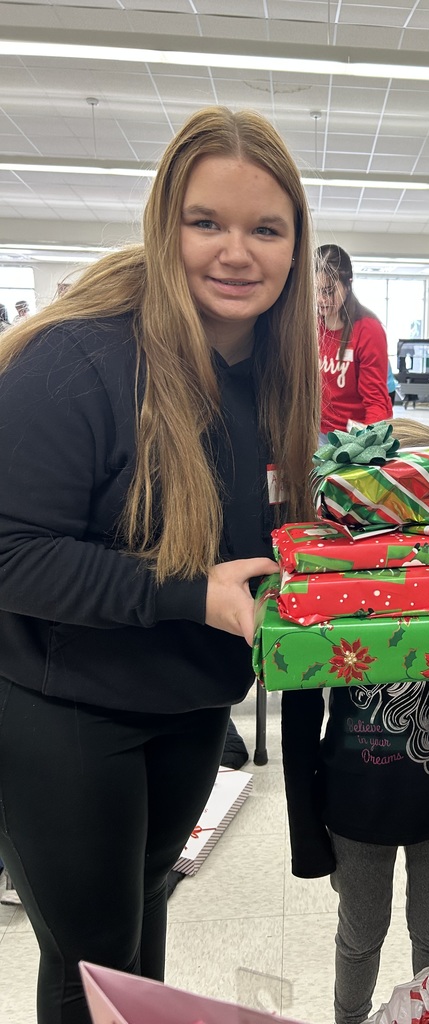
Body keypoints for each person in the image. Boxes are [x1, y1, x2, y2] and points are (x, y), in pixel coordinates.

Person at [0, 105, 319, 1024]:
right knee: (90, 964)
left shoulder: (273, 371)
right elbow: (12, 554)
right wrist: (185, 592)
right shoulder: (78, 360)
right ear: (163, 224)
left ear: (297, 247)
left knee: (142, 931)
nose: (236, 252)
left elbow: (253, 527)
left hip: (187, 706)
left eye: (266, 229)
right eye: (206, 223)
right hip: (66, 712)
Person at [281, 418, 429, 1024]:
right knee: (360, 937)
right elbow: (299, 721)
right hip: (356, 810)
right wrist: (307, 833)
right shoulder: (326, 595)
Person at [315, 243, 392, 437]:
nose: (320, 299)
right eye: (315, 290)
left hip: (354, 434)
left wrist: (368, 443)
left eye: (328, 291)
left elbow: (376, 401)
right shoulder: (311, 325)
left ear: (348, 285)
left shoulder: (368, 330)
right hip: (315, 430)